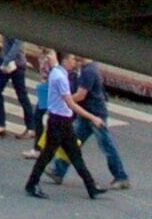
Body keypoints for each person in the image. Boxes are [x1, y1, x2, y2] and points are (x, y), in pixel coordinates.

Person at [28, 49, 103, 200]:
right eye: (72, 59)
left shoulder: (58, 73)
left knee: (75, 155)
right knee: (48, 154)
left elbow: (54, 63)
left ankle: (91, 186)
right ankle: (32, 184)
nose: (75, 62)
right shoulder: (60, 77)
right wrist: (93, 117)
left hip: (62, 120)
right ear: (65, 61)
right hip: (59, 121)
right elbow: (70, 103)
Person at [69, 53, 129, 191]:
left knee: (107, 146)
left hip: (95, 115)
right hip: (87, 113)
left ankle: (121, 177)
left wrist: (65, 100)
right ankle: (58, 170)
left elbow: (80, 95)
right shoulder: (86, 67)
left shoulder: (88, 70)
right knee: (72, 143)